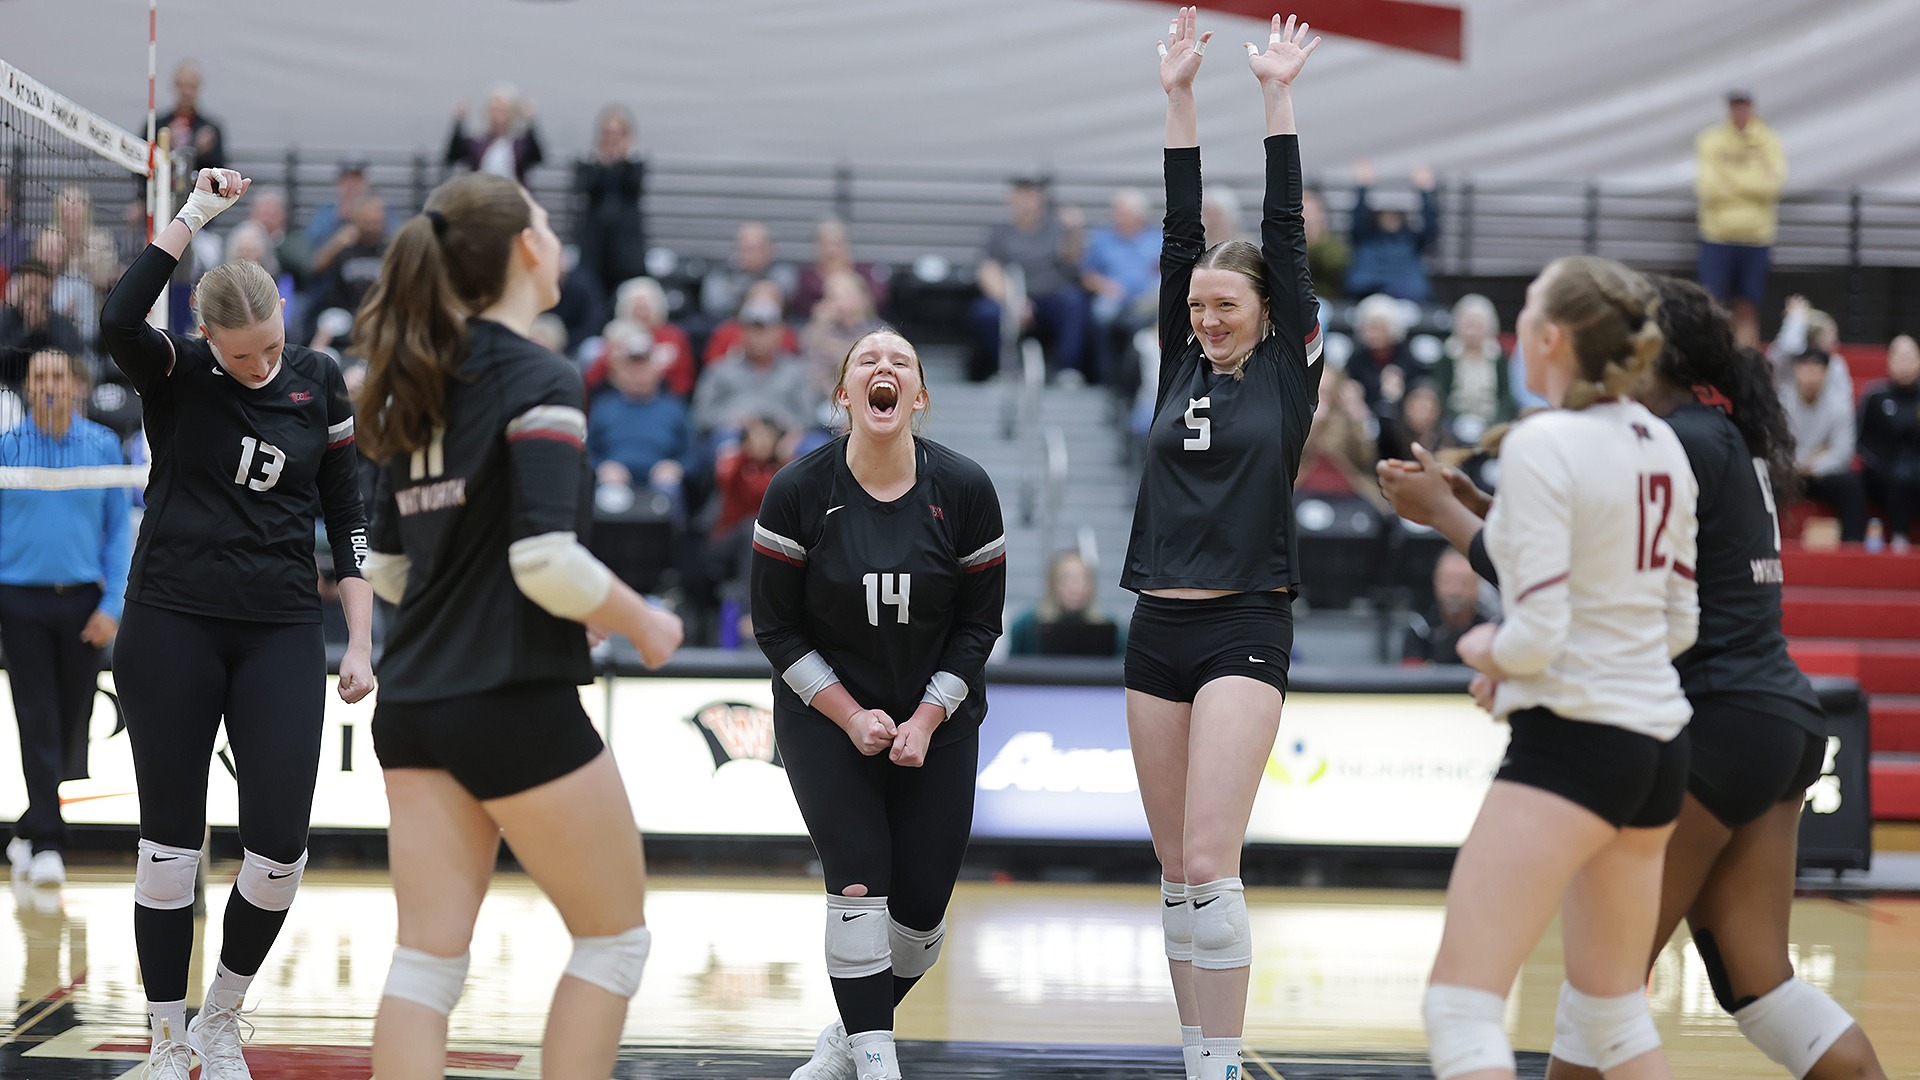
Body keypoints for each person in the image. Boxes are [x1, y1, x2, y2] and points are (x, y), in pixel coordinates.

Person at [1383, 273, 1889, 1080]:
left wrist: (1446, 518)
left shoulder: (1655, 438)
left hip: (1705, 720)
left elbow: (1577, 583)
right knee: (1758, 985)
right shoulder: (1704, 434)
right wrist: (1489, 506)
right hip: (1775, 715)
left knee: (1599, 1003)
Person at [353, 171, 684, 1080]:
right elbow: (544, 562)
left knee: (425, 963)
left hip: (413, 698)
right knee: (612, 944)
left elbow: (385, 569)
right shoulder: (538, 373)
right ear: (529, 249)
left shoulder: (409, 379)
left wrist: (465, 606)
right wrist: (645, 621)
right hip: (509, 698)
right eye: (541, 218)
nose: (551, 229)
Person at [1376, 255, 1698, 1080]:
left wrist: (1486, 653)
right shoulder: (1663, 442)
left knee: (1462, 1008)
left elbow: (1534, 633)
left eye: (1525, 312)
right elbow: (1680, 623)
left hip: (1577, 746)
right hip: (1658, 747)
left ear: (1551, 338)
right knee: (1614, 1018)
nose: (1516, 328)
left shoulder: (1542, 441)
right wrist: (1529, 668)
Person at [99, 167, 375, 1080]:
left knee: (278, 851)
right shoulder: (173, 372)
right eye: (244, 353)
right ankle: (166, 1037)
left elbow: (347, 512)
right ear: (208, 335)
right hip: (170, 620)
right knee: (170, 845)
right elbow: (114, 321)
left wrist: (362, 639)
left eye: (273, 348)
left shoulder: (318, 380)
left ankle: (222, 1017)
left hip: (280, 630)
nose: (263, 366)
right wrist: (186, 220)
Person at [1124, 13, 1322, 1080]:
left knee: (1211, 859)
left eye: (1226, 305)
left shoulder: (1287, 370)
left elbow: (1282, 231)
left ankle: (1226, 1061)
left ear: (1265, 314)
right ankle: (1198, 1054)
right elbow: (1176, 224)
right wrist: (1177, 98)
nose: (1206, 316)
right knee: (1170, 869)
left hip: (1247, 620)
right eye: (1197, 303)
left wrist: (1273, 97)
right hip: (1157, 623)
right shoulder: (1176, 356)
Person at [752, 326, 1005, 1080]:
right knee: (858, 880)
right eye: (867, 360)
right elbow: (776, 628)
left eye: (900, 362)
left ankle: (849, 1030)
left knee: (921, 918)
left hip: (940, 722)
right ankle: (872, 1059)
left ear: (918, 398)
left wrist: (927, 719)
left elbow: (978, 625)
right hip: (825, 721)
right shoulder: (799, 490)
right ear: (844, 396)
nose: (883, 368)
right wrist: (851, 715)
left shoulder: (963, 489)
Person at [0, 350, 131, 887]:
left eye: (58, 376)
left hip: (83, 605)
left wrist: (113, 605)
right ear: (28, 388)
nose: (49, 385)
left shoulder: (101, 446)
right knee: (37, 720)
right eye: (39, 377)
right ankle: (51, 841)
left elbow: (119, 533)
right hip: (19, 602)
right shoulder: (8, 448)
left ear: (76, 385)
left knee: (72, 724)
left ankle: (28, 829)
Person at [969, 178, 1091, 382]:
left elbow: (1073, 260)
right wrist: (1012, 300)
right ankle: (1007, 369)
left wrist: (1074, 230)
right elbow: (988, 270)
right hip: (1014, 298)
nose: (1027, 201)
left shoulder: (1056, 229)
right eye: (1022, 195)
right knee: (985, 312)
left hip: (1052, 299)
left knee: (1075, 302)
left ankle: (1066, 370)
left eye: (1032, 195)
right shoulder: (1000, 233)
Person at [1695, 89, 1786, 347]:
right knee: (1712, 305)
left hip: (1756, 237)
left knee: (1747, 307)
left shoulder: (1769, 140)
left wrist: (1731, 181)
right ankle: (1712, 361)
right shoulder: (1710, 140)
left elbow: (1773, 186)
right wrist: (1753, 183)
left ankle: (1745, 365)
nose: (1739, 111)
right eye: (1734, 105)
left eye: (1744, 105)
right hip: (1717, 235)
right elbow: (1707, 188)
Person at [587, 321, 691, 508]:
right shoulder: (604, 407)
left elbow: (693, 454)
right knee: (608, 497)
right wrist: (602, 467)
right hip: (615, 481)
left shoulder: (674, 407)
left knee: (668, 493)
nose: (639, 372)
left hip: (660, 482)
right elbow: (586, 452)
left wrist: (676, 467)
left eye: (644, 364)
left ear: (656, 369)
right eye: (632, 366)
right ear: (620, 371)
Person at [693, 296, 818, 439]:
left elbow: (809, 417)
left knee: (811, 446)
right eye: (752, 329)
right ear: (742, 332)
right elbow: (700, 416)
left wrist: (787, 430)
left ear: (779, 332)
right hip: (734, 434)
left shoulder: (796, 371)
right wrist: (738, 423)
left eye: (764, 330)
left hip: (784, 437)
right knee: (725, 443)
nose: (758, 337)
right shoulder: (720, 370)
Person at [1081, 189, 1164, 385]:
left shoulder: (1157, 239)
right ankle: (1106, 375)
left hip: (1148, 300)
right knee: (1102, 314)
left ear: (1140, 215)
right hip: (1114, 296)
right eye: (1117, 212)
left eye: (1124, 213)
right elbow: (1087, 275)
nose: (1118, 217)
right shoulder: (1102, 239)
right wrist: (1104, 285)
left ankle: (1139, 378)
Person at [1782, 349, 1867, 541]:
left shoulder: (1839, 405)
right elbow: (1775, 448)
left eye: (1817, 370)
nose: (1811, 377)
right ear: (1796, 370)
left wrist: (1813, 466)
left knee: (1852, 485)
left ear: (1827, 373)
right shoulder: (1782, 402)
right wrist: (1804, 461)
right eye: (1806, 369)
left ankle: (1852, 546)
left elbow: (1843, 451)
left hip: (1822, 474)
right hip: (1788, 473)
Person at [574, 105, 647, 298]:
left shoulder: (635, 164)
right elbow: (587, 187)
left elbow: (634, 187)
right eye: (608, 133)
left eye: (617, 134)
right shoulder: (589, 163)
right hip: (596, 242)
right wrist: (603, 162)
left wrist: (623, 159)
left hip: (625, 246)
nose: (612, 139)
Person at [1858, 334, 1920, 551]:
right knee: (1899, 476)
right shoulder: (1875, 395)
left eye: (1910, 357)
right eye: (1900, 357)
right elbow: (1861, 440)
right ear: (1889, 361)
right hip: (1884, 471)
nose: (1905, 364)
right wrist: (1879, 465)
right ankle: (1899, 537)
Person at [1345, 161, 1438, 303]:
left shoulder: (1412, 240)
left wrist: (1424, 191)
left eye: (1395, 214)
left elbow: (1431, 228)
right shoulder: (1366, 237)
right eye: (1386, 213)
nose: (1390, 218)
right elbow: (1356, 219)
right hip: (1368, 299)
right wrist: (1363, 187)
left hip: (1407, 301)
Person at [1430, 293, 1513, 445]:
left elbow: (1505, 395)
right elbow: (1440, 392)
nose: (1472, 330)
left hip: (1490, 421)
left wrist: (1495, 423)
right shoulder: (1448, 355)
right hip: (1453, 422)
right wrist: (1455, 419)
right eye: (1468, 324)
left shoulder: (1498, 356)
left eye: (1477, 324)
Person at [1007, 550, 1123, 656]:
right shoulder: (1026, 625)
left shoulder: (1111, 626)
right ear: (1052, 584)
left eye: (1083, 580)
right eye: (1067, 579)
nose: (1075, 588)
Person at [700, 221, 799, 329]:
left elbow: (787, 299)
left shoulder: (782, 272)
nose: (750, 255)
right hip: (732, 330)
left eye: (756, 249)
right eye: (745, 249)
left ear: (771, 249)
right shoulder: (722, 274)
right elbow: (714, 305)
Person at [1400, 548, 1486, 665]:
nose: (1455, 591)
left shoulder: (1489, 630)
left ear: (1477, 585)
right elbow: (1408, 679)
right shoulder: (1420, 630)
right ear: (1436, 582)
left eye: (1464, 583)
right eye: (1448, 582)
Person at [791, 218, 888, 320]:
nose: (831, 249)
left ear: (847, 244)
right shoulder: (805, 277)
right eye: (825, 243)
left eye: (836, 243)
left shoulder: (864, 273)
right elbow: (799, 305)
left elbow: (878, 300)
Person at [446, 85, 545, 183]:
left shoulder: (520, 143)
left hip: (513, 195)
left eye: (503, 111)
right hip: (480, 195)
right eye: (494, 111)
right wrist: (459, 122)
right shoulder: (476, 141)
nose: (498, 117)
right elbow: (452, 156)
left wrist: (530, 123)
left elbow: (538, 157)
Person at [1, 260, 89, 366]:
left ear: (49, 286)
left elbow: (74, 359)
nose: (32, 284)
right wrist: (27, 332)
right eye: (27, 279)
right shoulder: (5, 319)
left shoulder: (61, 322)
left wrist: (43, 329)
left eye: (38, 280)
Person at [161, 61, 225, 175]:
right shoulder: (157, 126)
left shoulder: (211, 130)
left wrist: (202, 152)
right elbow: (143, 169)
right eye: (182, 85)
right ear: (174, 86)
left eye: (191, 86)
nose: (186, 92)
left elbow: (220, 172)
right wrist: (165, 145)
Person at [1301, 187, 1348, 302]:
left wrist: (1316, 240)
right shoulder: (1288, 243)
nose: (1308, 218)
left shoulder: (1333, 242)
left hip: (1328, 298)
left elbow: (1335, 266)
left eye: (1312, 211)